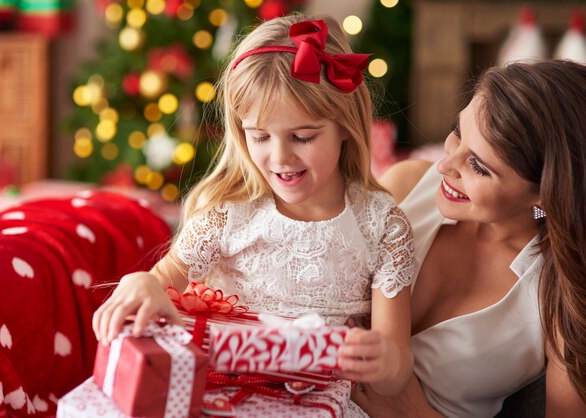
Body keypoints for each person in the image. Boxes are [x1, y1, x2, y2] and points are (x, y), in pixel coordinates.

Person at [92, 14, 417, 401]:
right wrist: (143, 282)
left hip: (318, 403)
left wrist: (386, 363)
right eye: (260, 136)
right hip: (218, 393)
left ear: (345, 124)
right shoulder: (229, 211)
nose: (280, 157)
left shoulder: (382, 225)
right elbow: (165, 278)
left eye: (302, 136)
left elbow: (396, 370)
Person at [352, 59, 586, 417]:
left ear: (545, 193)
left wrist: (415, 413)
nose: (445, 165)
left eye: (478, 166)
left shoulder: (561, 297)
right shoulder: (406, 185)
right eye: (457, 133)